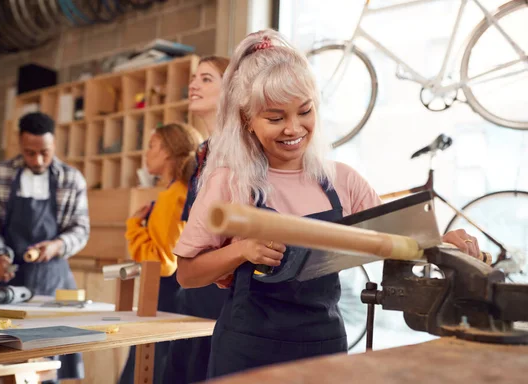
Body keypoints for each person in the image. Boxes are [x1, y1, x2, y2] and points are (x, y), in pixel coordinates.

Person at [173, 29, 486, 379]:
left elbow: (393, 242)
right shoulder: (229, 182)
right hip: (249, 349)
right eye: (275, 118)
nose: (294, 129)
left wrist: (444, 241)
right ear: (247, 119)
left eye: (304, 112)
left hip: (324, 346)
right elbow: (186, 274)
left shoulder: (342, 181)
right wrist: (243, 250)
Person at [0, 111, 89, 380]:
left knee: (50, 364)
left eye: (45, 153)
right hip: (8, 284)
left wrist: (57, 246)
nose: (37, 160)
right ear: (19, 144)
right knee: (5, 363)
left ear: (54, 145)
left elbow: (80, 229)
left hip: (53, 282)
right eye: (30, 153)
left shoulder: (71, 179)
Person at [163, 56, 231, 384]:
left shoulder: (237, 153)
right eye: (193, 78)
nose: (193, 85)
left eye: (206, 79)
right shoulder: (203, 154)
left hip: (221, 297)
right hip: (190, 293)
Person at [119, 123, 203, 384]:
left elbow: (164, 263)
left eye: (152, 146)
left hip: (164, 298)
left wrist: (134, 227)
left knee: (148, 372)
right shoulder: (180, 192)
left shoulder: (172, 196)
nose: (147, 153)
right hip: (171, 297)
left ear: (167, 152)